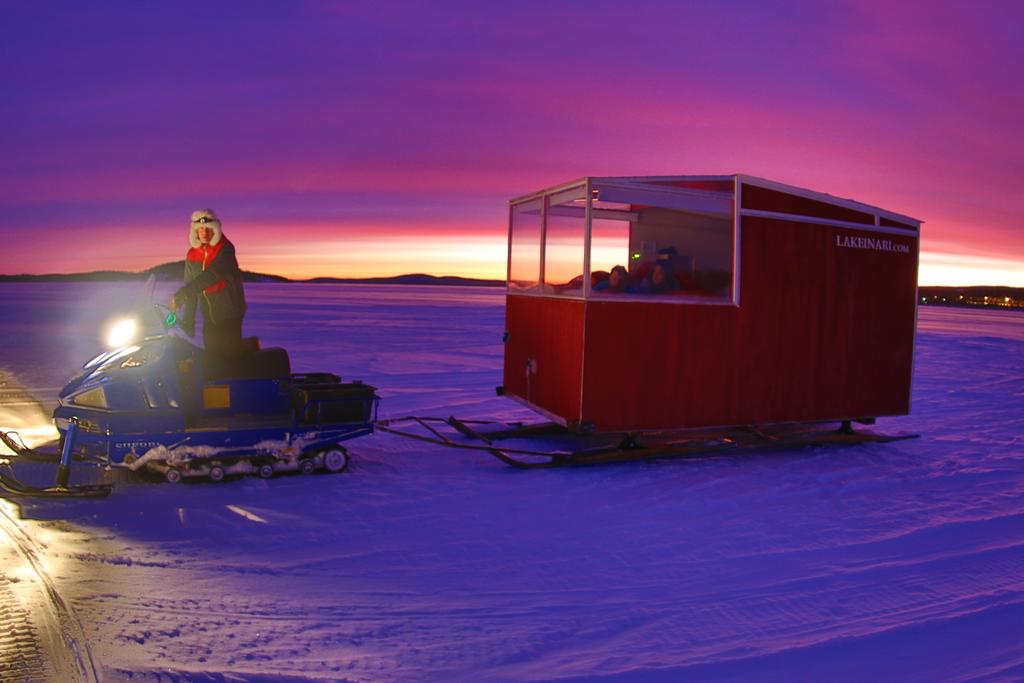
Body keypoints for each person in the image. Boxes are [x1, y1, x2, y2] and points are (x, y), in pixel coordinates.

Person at [169, 209, 247, 356]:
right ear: (195, 232)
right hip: (209, 315)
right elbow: (191, 288)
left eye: (208, 229)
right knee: (212, 354)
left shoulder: (225, 249)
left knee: (229, 356)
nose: (204, 233)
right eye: (200, 229)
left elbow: (213, 274)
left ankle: (247, 355)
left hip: (230, 312)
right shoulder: (192, 254)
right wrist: (188, 322)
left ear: (215, 230)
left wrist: (185, 292)